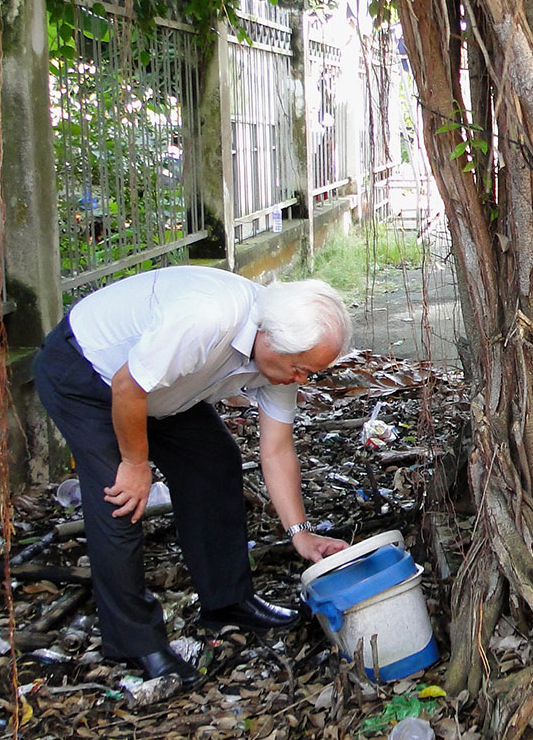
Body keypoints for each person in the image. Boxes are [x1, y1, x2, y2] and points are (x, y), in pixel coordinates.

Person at [33, 268, 353, 685]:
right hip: (90, 373)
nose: (301, 380)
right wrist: (135, 465)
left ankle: (227, 601)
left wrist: (300, 532)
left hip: (161, 386)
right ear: (271, 339)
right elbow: (128, 386)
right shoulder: (207, 319)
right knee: (121, 501)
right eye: (299, 370)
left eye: (309, 372)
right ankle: (134, 643)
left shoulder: (284, 348)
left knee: (214, 461)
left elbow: (276, 449)